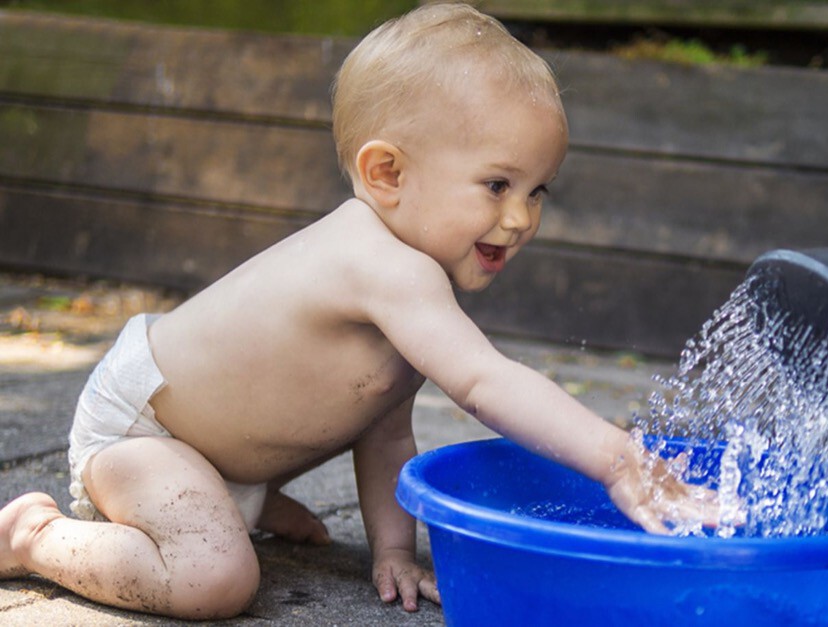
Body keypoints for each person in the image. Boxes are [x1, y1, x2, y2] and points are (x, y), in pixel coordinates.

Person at [0, 3, 717, 620]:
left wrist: (394, 547)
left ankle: (234, 498)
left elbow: (381, 428)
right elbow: (486, 384)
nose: (521, 217)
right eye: (498, 183)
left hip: (210, 444)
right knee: (213, 577)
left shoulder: (411, 279)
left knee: (269, 499)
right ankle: (35, 535)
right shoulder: (378, 263)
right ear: (387, 173)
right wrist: (618, 458)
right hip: (145, 430)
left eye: (538, 191)